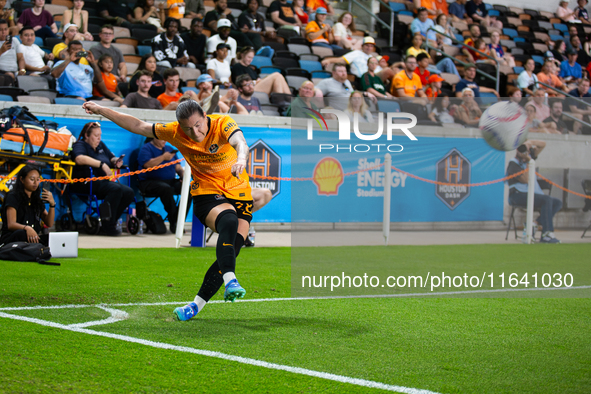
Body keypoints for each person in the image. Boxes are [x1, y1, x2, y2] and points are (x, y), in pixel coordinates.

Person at [82, 97, 253, 316]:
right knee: (228, 220)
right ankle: (231, 280)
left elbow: (241, 143)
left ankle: (195, 306)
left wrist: (241, 160)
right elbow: (138, 125)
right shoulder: (174, 132)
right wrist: (99, 110)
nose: (195, 133)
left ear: (204, 116)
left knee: (231, 249)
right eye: (188, 128)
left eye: (198, 125)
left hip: (239, 192)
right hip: (208, 193)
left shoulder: (222, 123)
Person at [70, 121, 135, 236]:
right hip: (85, 182)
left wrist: (116, 161)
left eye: (100, 135)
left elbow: (111, 158)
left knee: (128, 192)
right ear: (87, 135)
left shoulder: (101, 145)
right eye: (96, 136)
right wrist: (101, 164)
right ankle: (107, 224)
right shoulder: (80, 145)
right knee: (115, 189)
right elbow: (79, 159)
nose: (98, 138)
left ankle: (111, 220)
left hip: (103, 183)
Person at [506, 140, 562, 243]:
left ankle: (534, 224)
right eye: (520, 149)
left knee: (557, 203)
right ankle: (547, 233)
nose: (523, 151)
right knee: (547, 199)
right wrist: (528, 162)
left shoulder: (530, 156)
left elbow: (543, 144)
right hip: (517, 195)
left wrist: (529, 143)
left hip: (532, 194)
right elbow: (526, 179)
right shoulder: (513, 163)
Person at [138, 138, 186, 233]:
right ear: (154, 137)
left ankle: (178, 218)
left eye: (165, 138)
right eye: (161, 138)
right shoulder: (146, 149)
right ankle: (175, 221)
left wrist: (183, 175)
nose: (164, 141)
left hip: (170, 181)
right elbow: (147, 165)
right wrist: (163, 157)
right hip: (150, 182)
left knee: (188, 189)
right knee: (166, 189)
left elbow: (177, 166)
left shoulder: (169, 148)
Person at [0, 165, 55, 246]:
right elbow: (11, 224)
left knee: (52, 238)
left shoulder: (36, 199)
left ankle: (36, 248)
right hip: (12, 238)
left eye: (37, 179)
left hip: (31, 238)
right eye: (32, 179)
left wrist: (52, 204)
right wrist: (27, 228)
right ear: (22, 179)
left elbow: (49, 223)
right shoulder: (12, 196)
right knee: (22, 233)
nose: (35, 182)